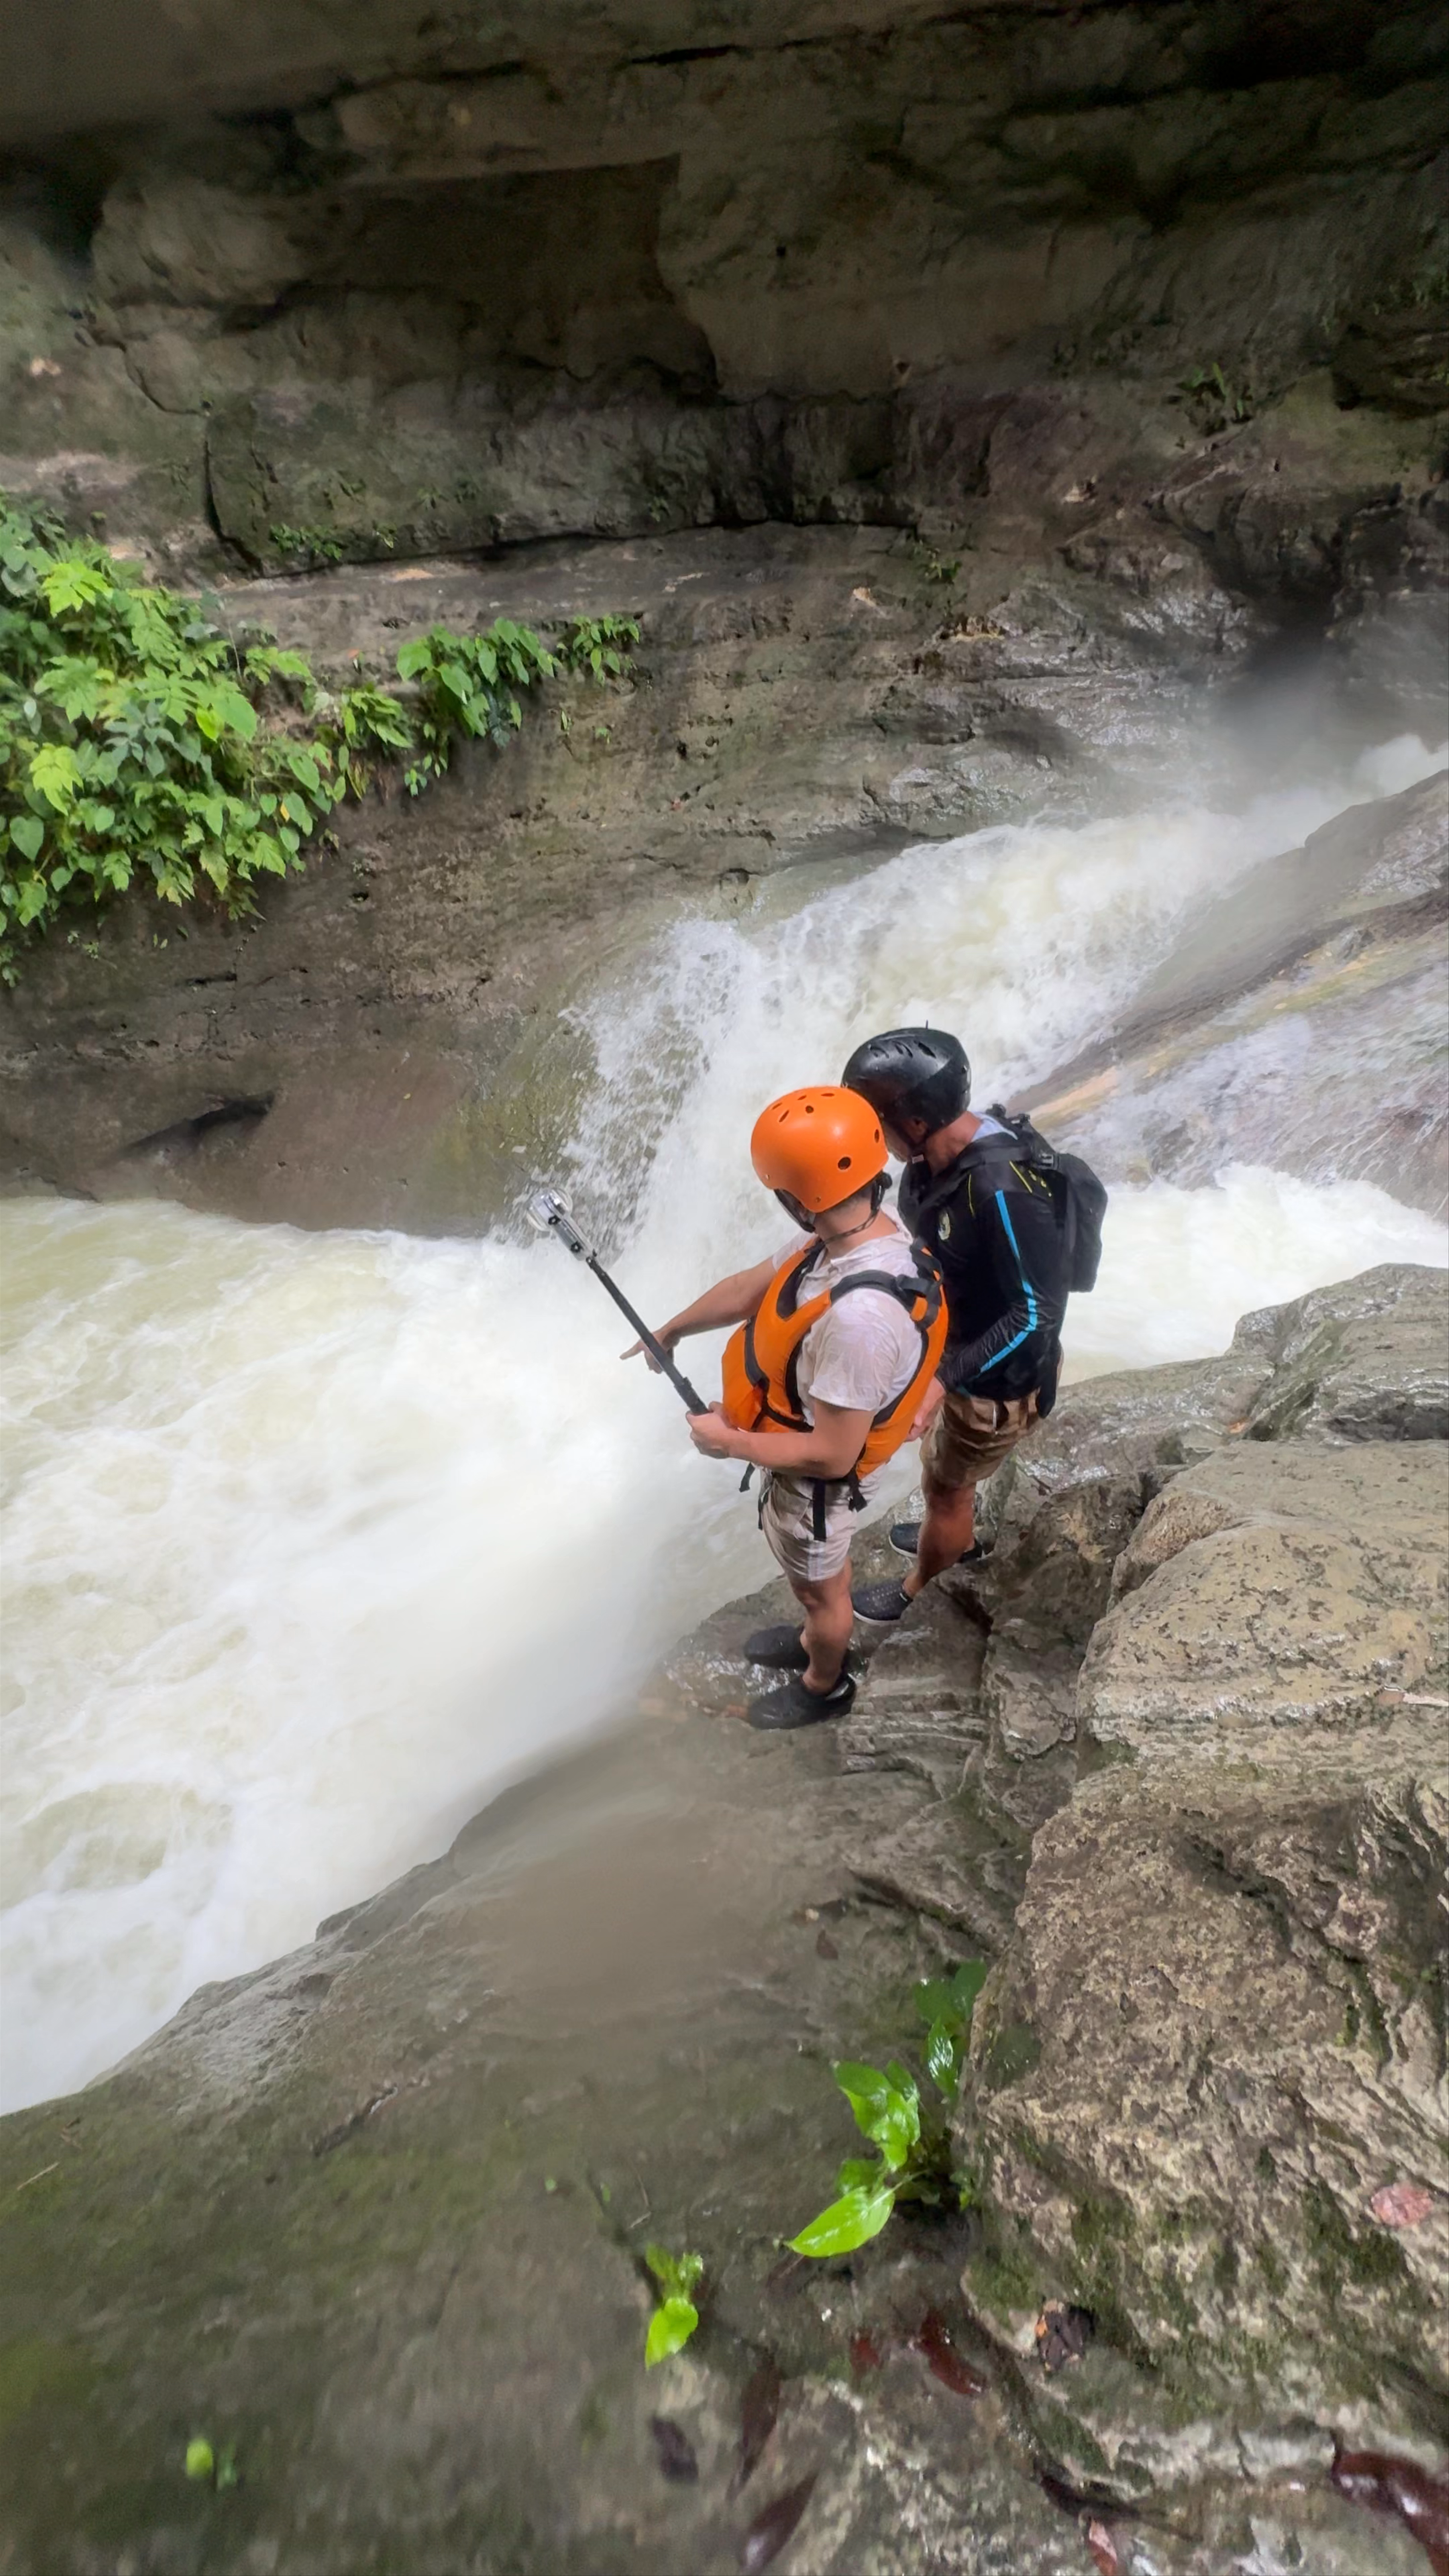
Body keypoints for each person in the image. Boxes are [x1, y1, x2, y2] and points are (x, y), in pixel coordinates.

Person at [623, 1085, 946, 1730]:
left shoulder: (861, 1320)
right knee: (815, 1582)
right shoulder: (852, 1238)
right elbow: (751, 1288)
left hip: (819, 1487)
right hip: (806, 1446)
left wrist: (730, 1442)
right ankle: (812, 1630)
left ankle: (824, 1680)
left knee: (821, 1590)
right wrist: (675, 1328)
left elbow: (832, 1455)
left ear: (797, 1200)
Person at [838, 1026, 1069, 1625]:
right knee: (943, 1470)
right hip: (963, 1350)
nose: (871, 1132)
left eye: (877, 1118)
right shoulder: (932, 1162)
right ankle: (952, 1528)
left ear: (916, 1122)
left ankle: (926, 1585)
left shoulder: (1000, 1192)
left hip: (996, 1381)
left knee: (947, 1487)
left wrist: (942, 1379)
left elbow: (1038, 1313)